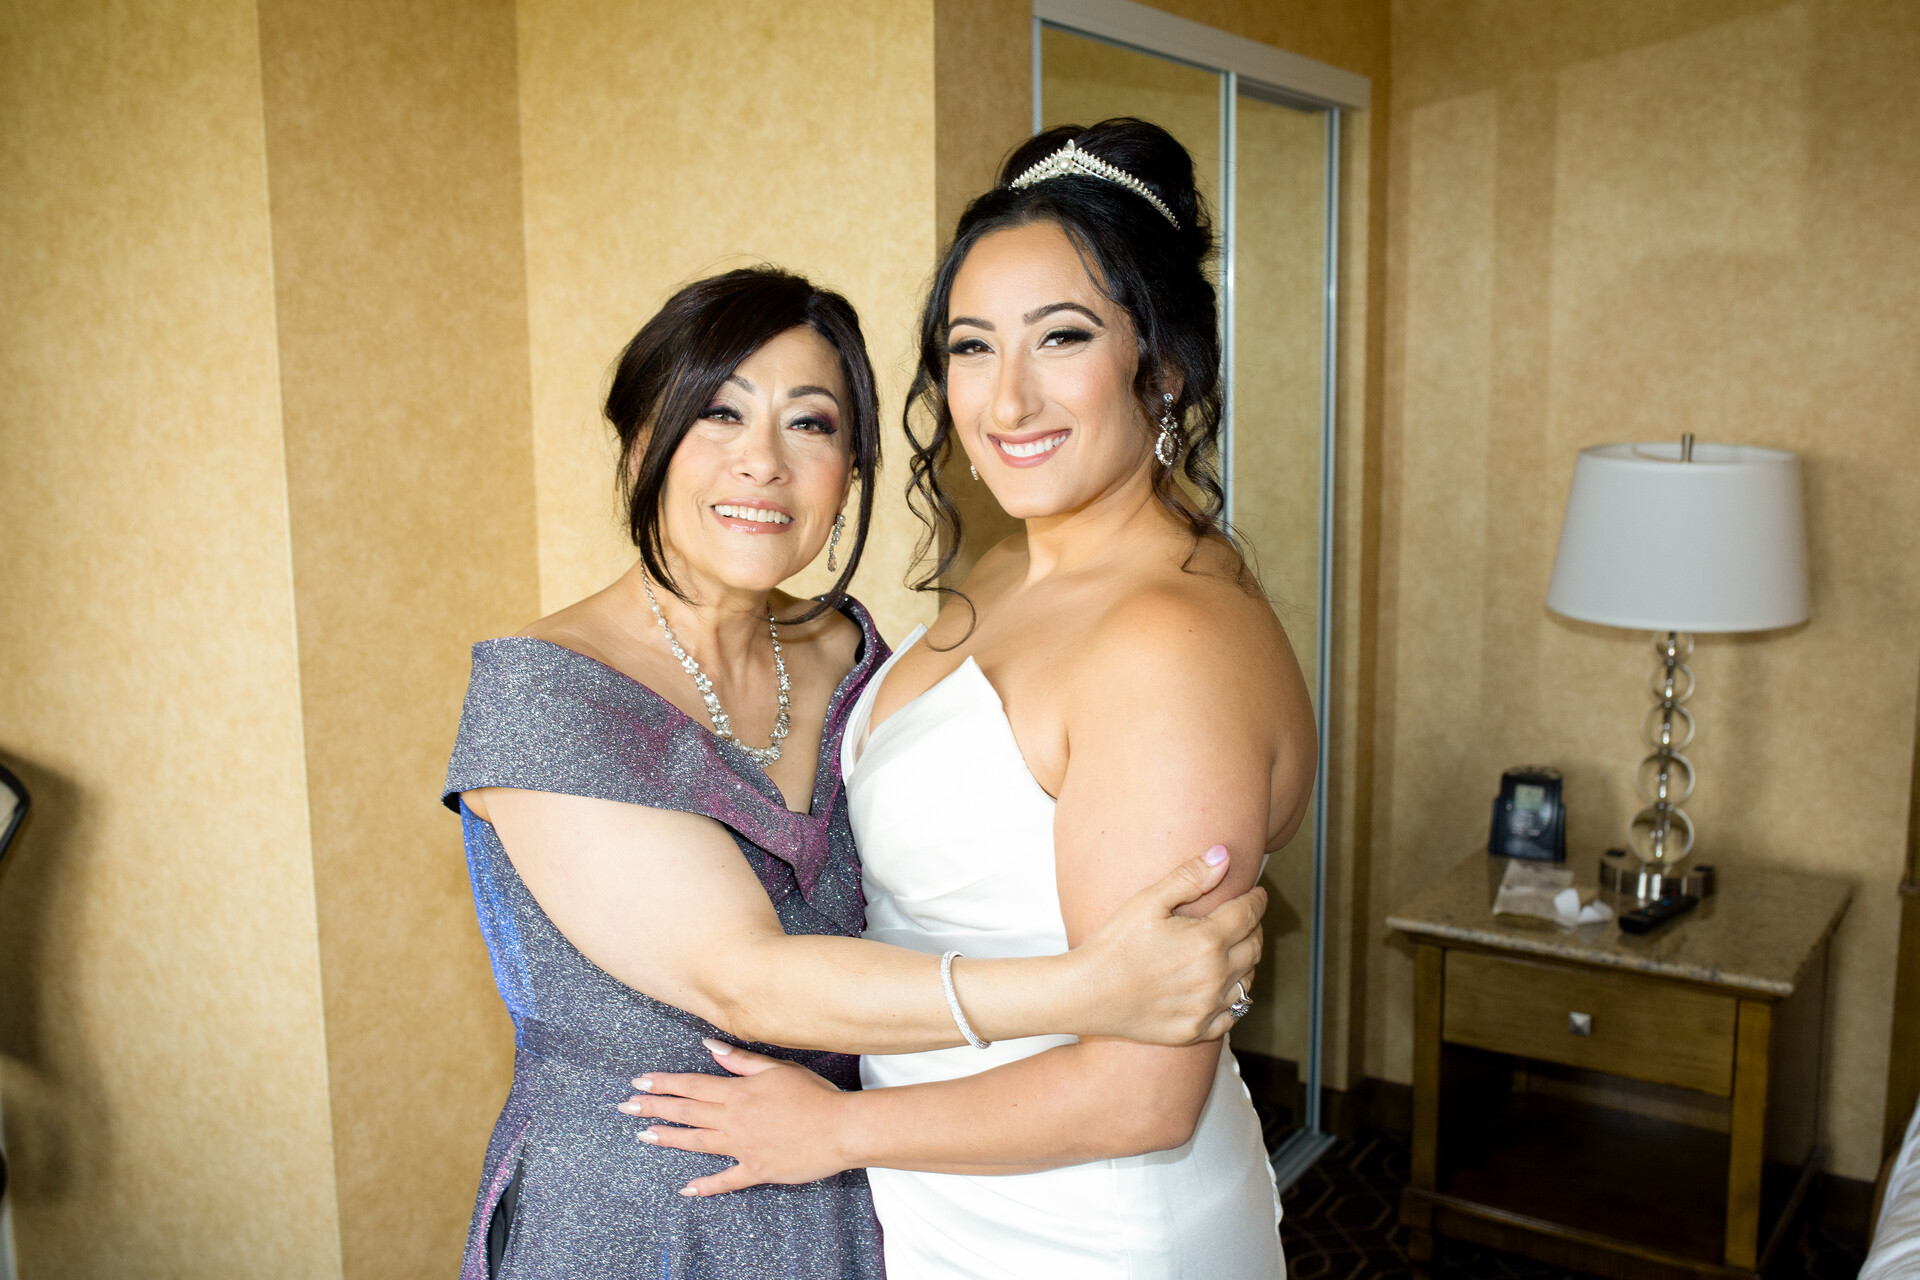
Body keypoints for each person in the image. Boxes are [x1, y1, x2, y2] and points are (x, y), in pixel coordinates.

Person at [443, 265, 1270, 1279]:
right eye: (717, 414)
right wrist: (1089, 987)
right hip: (646, 1212)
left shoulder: (857, 656)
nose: (763, 464)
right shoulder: (548, 694)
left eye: (813, 424)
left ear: (853, 468)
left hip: (871, 1200)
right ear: (639, 441)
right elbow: (741, 978)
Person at [620, 120, 1317, 1279]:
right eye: (973, 346)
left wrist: (833, 1130)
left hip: (1085, 1224)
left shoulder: (1166, 644)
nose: (1009, 398)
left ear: (1167, 364)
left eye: (1065, 337)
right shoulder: (1015, 563)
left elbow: (1140, 1091)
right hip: (948, 1188)